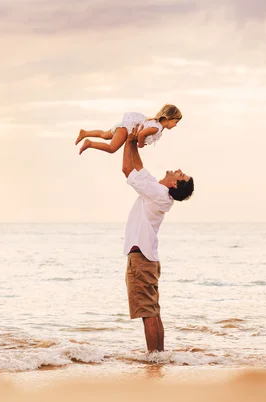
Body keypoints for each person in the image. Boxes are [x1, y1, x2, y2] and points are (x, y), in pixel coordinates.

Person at [121, 129, 194, 352]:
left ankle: (154, 359)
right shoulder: (158, 190)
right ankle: (158, 356)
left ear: (174, 185)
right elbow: (138, 168)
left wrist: (126, 136)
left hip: (141, 258)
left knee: (148, 312)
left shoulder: (157, 193)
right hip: (147, 258)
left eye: (181, 176)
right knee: (153, 310)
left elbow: (127, 169)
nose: (179, 171)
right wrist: (133, 143)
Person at [75, 104, 182, 155]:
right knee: (111, 148)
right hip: (126, 130)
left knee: (104, 134)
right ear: (168, 118)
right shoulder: (156, 128)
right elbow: (142, 134)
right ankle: (89, 143)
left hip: (123, 127)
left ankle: (85, 133)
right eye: (175, 122)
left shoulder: (156, 124)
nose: (175, 125)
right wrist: (139, 145)